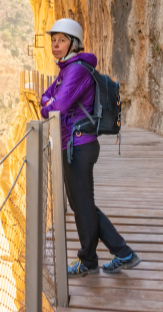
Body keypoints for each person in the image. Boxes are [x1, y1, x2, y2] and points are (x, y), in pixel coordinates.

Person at [39, 18, 140, 277]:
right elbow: (45, 96)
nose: (55, 45)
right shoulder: (67, 69)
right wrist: (47, 102)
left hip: (79, 146)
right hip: (75, 143)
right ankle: (111, 254)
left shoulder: (76, 70)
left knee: (82, 204)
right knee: (82, 204)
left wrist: (48, 103)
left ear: (74, 43)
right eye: (53, 40)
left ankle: (99, 257)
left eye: (61, 40)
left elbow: (55, 106)